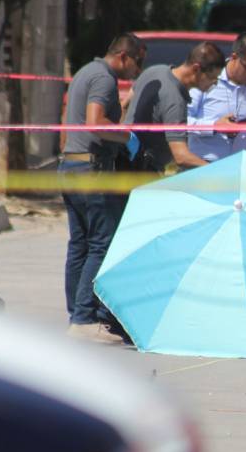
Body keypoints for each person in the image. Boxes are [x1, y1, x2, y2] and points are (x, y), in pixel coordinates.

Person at [59, 33, 146, 343]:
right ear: (123, 56)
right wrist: (126, 136)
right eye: (138, 62)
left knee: (79, 244)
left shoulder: (84, 72)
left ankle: (76, 318)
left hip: (71, 164)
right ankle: (84, 318)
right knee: (101, 243)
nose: (138, 70)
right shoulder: (105, 78)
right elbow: (95, 122)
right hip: (90, 170)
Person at [124, 42, 225, 173]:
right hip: (142, 172)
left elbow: (124, 105)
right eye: (212, 78)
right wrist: (217, 170)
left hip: (121, 162)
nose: (215, 83)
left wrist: (124, 142)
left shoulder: (154, 70)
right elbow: (181, 157)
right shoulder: (176, 100)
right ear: (196, 69)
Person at [187, 32, 246, 162]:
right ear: (234, 57)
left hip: (239, 169)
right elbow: (182, 122)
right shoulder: (207, 78)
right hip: (202, 165)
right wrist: (213, 127)